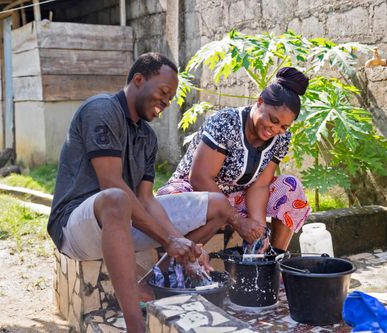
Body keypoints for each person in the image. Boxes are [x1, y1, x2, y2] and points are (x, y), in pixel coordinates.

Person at [47, 53, 244, 333]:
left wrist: (178, 242)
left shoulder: (148, 138)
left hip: (121, 222)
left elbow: (146, 199)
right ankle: (135, 326)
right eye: (163, 92)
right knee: (116, 198)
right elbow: (111, 182)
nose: (165, 103)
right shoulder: (101, 110)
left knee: (217, 204)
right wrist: (168, 238)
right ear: (138, 80)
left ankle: (154, 280)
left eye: (170, 98)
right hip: (75, 227)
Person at [157, 67, 312, 251]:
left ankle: (271, 263)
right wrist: (237, 221)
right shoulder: (226, 123)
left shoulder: (281, 138)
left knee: (290, 187)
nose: (276, 129)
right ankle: (185, 260)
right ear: (260, 101)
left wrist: (258, 230)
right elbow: (199, 177)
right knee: (171, 200)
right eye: (273, 120)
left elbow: (260, 185)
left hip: (238, 197)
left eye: (284, 127)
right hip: (196, 191)